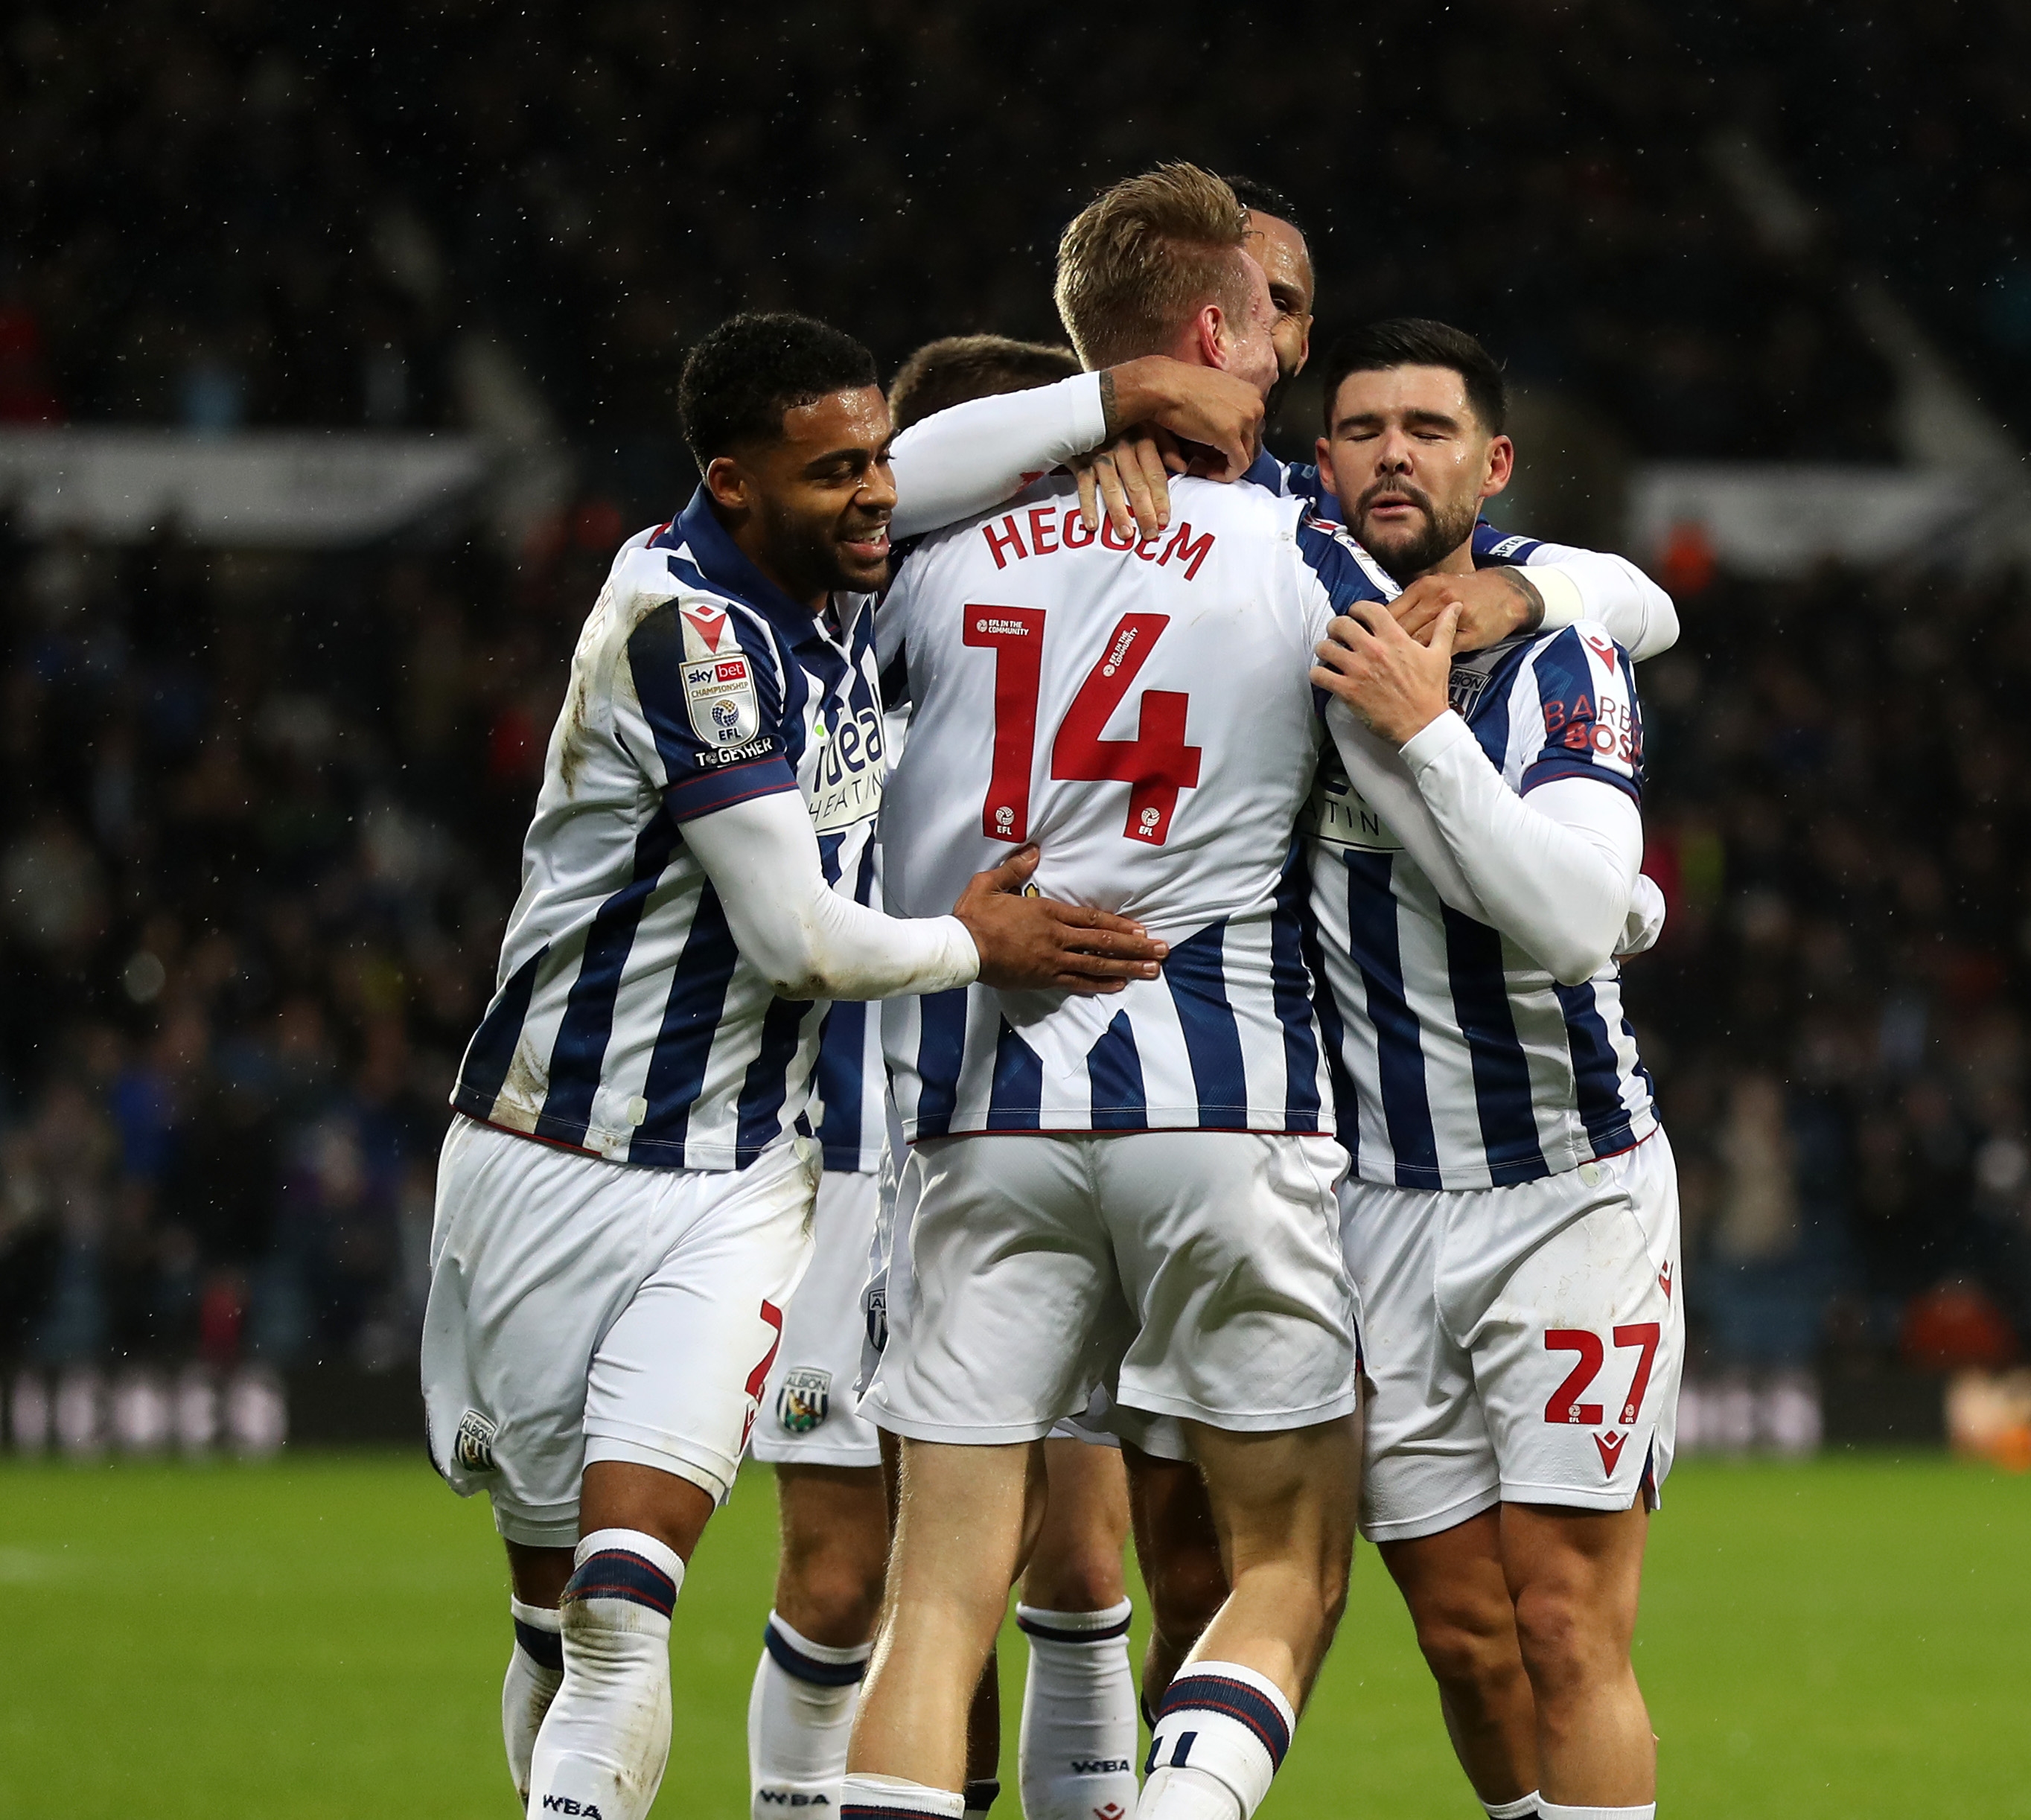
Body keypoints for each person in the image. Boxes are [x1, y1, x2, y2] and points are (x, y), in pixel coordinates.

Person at [422, 311, 1167, 1820]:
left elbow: (938, 451)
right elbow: (802, 942)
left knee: (627, 1604)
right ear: (734, 479)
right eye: (837, 471)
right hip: (540, 1148)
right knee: (554, 1609)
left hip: (743, 1180)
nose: (880, 495)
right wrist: (979, 941)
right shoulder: (685, 623)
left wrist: (1116, 402)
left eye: (882, 464)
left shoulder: (833, 577)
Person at [842, 162, 1379, 1820]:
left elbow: (867, 484)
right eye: (1265, 325)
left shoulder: (933, 547)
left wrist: (1098, 413)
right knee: (1283, 1557)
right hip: (1220, 1102)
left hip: (982, 1107)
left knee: (937, 1596)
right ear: (1210, 327)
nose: (1285, 361)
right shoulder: (1298, 543)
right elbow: (1453, 662)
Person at [747, 328, 1147, 1820]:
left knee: (1076, 1556)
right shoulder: (832, 612)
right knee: (848, 1576)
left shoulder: (1126, 593)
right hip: (853, 1147)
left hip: (1049, 1124)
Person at [1301, 318, 1678, 1820]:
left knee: (1561, 1621)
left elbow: (1581, 914)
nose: (1395, 451)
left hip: (1566, 1188)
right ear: (1316, 461)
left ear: (1493, 462)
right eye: (1363, 427)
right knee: (1461, 1633)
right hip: (1377, 1202)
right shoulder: (1286, 616)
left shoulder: (1557, 651)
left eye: (1429, 427)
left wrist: (1422, 735)